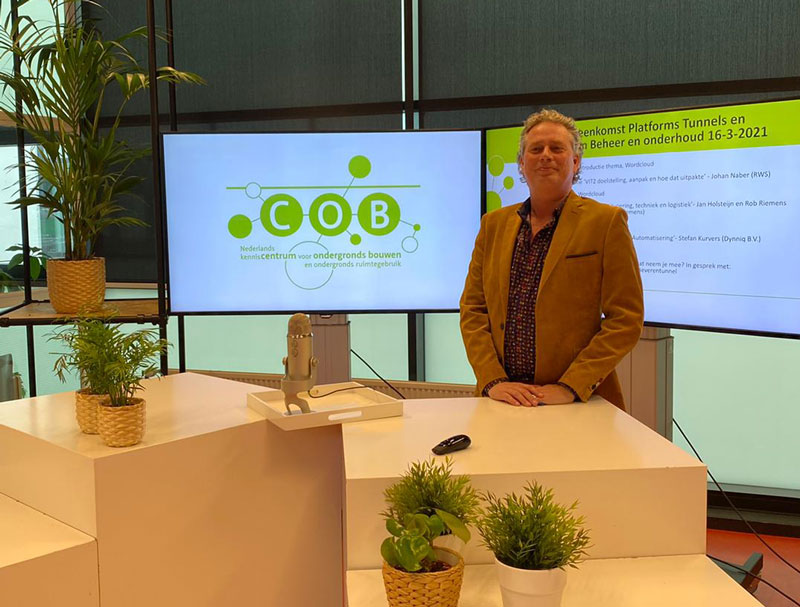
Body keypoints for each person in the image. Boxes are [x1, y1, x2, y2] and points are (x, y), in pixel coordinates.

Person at [459, 109, 644, 410]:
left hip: (576, 402)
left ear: (576, 161)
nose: (546, 155)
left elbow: (626, 319)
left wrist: (570, 386)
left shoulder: (606, 222)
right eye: (536, 149)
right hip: (502, 399)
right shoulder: (493, 224)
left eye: (557, 148)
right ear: (521, 163)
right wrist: (492, 380)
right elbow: (473, 309)